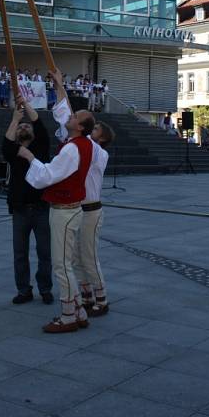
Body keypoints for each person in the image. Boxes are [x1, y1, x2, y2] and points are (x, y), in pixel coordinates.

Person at [19, 67, 94, 333]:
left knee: (62, 266)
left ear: (81, 127)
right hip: (69, 209)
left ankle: (68, 315)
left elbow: (49, 175)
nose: (70, 117)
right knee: (66, 263)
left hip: (64, 210)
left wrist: (29, 158)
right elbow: (64, 112)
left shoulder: (73, 148)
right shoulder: (78, 142)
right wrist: (60, 84)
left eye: (77, 117)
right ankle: (79, 310)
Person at [3, 97, 53, 305]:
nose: (24, 127)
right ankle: (24, 290)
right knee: (20, 253)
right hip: (20, 209)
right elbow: (6, 143)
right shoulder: (13, 151)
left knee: (45, 253)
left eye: (26, 125)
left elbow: (40, 125)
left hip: (41, 208)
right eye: (20, 126)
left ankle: (45, 288)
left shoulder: (41, 147)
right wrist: (15, 118)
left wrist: (26, 105)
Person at [74, 121, 115, 317]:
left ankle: (102, 298)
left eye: (96, 129)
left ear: (103, 137)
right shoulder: (84, 147)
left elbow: (86, 144)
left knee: (89, 255)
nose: (93, 131)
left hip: (91, 210)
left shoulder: (100, 153)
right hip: (77, 208)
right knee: (75, 256)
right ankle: (87, 295)